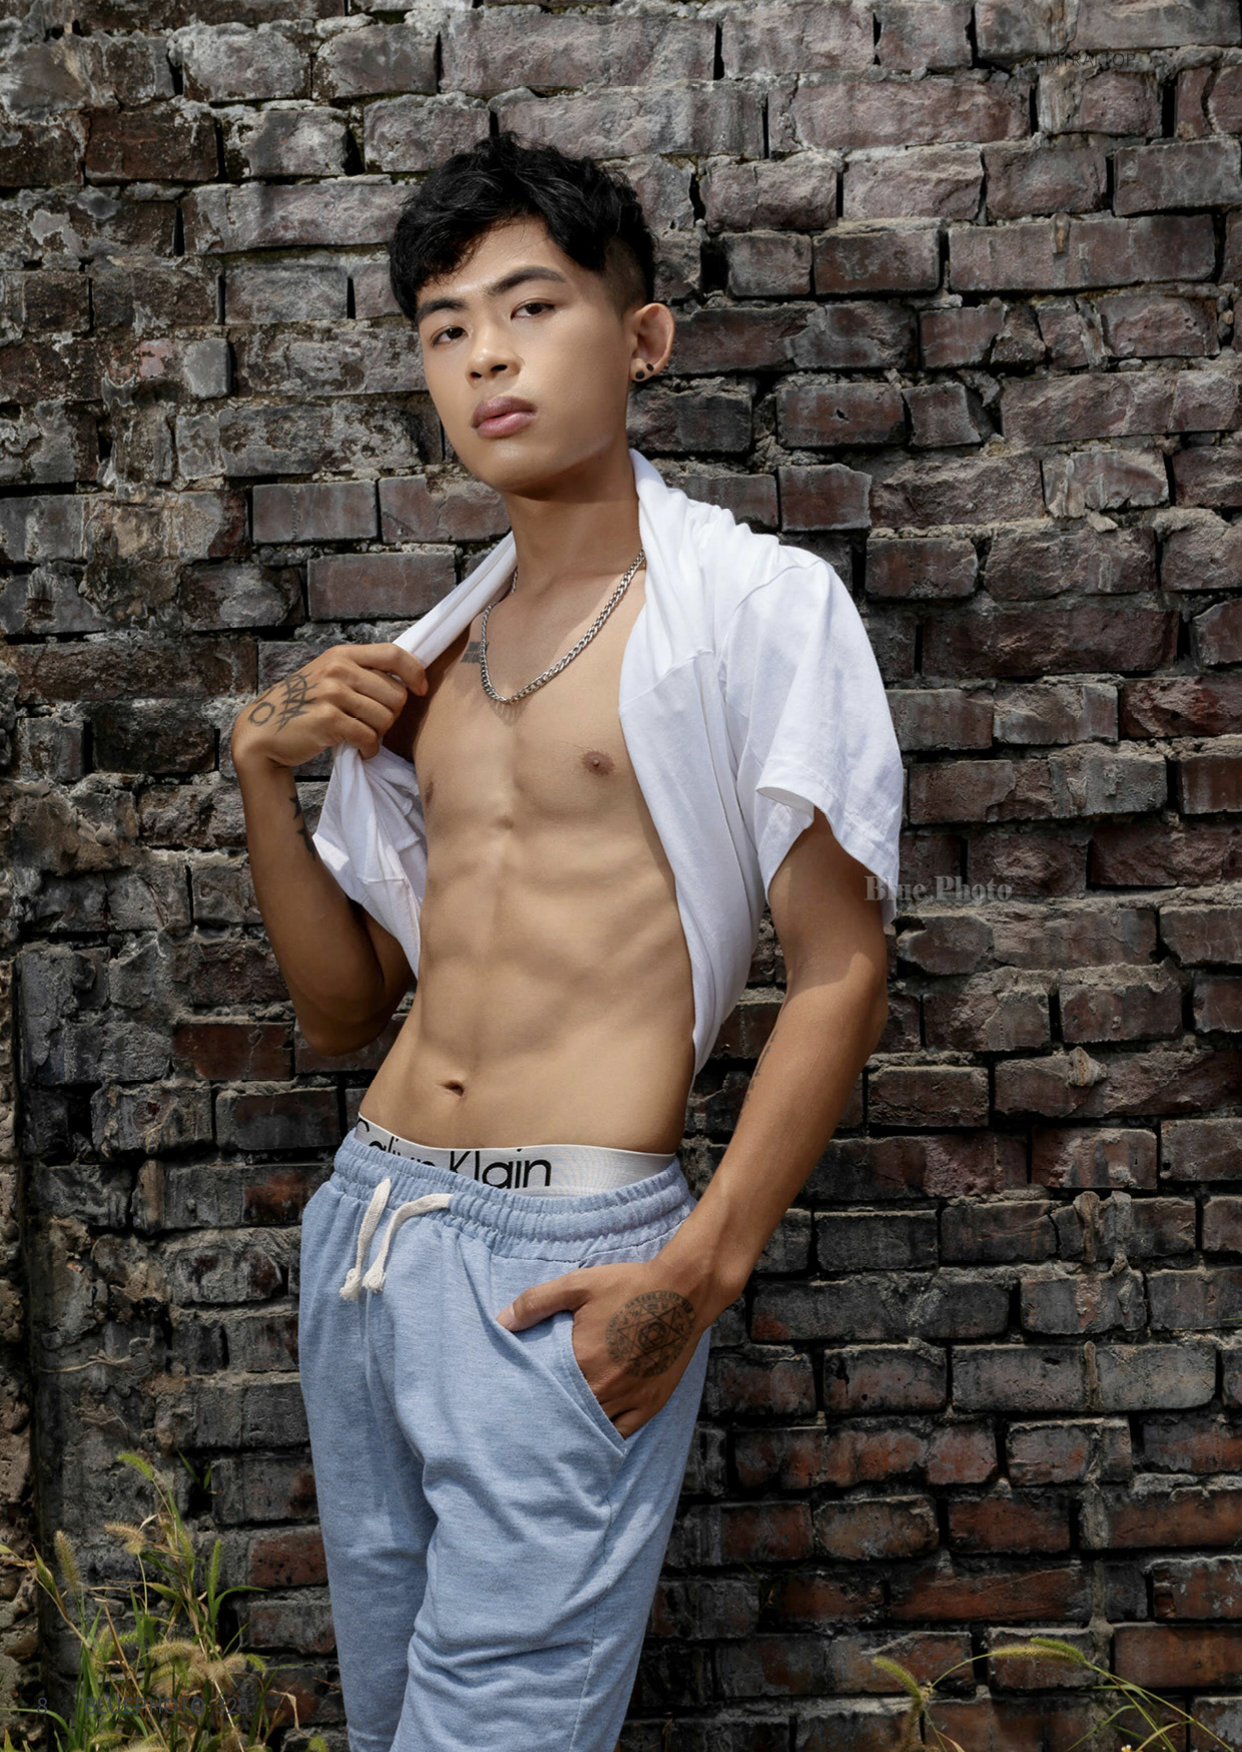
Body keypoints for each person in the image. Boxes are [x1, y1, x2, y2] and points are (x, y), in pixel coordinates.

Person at [230, 131, 903, 1752]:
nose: (487, 356)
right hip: (374, 1236)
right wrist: (263, 776)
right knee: (395, 1720)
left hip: (561, 1261)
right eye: (447, 327)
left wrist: (696, 1272)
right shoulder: (430, 664)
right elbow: (344, 1013)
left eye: (530, 308)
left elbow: (839, 965)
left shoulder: (752, 608)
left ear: (640, 336)